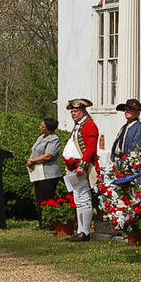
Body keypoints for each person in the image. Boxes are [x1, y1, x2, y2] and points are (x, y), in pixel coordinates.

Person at [63, 98, 99, 242]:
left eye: (76, 111)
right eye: (72, 111)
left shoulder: (89, 125)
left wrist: (82, 165)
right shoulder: (78, 125)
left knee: (84, 199)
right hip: (73, 167)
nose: (73, 114)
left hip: (81, 168)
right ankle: (80, 230)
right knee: (78, 199)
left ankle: (85, 232)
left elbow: (90, 147)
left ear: (83, 111)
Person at [26, 118, 62, 228]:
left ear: (49, 129)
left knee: (47, 197)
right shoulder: (41, 137)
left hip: (49, 173)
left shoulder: (54, 139)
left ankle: (49, 223)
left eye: (43, 126)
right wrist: (30, 160)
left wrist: (33, 161)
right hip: (38, 172)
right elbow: (34, 150)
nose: (40, 128)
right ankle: (42, 223)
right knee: (39, 197)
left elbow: (48, 155)